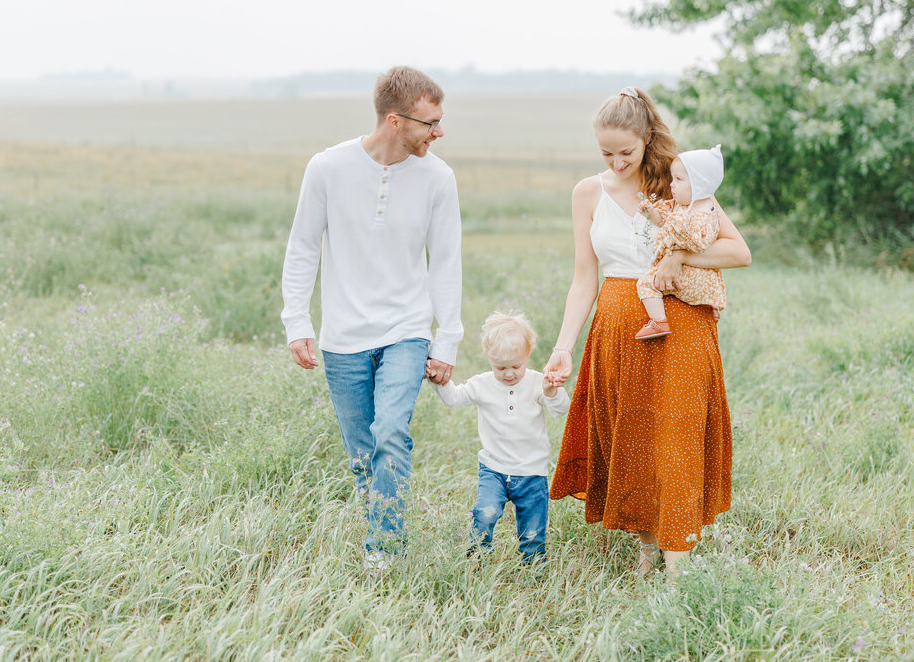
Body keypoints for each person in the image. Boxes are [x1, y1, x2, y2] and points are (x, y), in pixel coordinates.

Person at [543, 86, 751, 576]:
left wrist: (678, 255)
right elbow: (583, 276)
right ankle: (645, 547)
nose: (617, 163)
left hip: (681, 325)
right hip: (617, 325)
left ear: (648, 139)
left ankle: (679, 567)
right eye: (606, 153)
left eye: (627, 152)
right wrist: (563, 347)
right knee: (630, 438)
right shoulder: (587, 193)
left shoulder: (680, 185)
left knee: (676, 439)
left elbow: (738, 252)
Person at [280, 66, 462, 570]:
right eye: (430, 123)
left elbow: (446, 262)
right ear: (394, 120)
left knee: (390, 434)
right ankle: (382, 516)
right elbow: (301, 248)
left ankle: (384, 552)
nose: (439, 132)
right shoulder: (327, 167)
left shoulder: (438, 178)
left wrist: (446, 341)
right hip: (343, 337)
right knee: (364, 455)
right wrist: (297, 321)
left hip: (407, 330)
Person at [431, 311, 570, 563]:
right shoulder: (483, 384)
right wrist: (438, 380)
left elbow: (561, 411)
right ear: (489, 359)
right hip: (493, 468)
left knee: (533, 530)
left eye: (516, 366)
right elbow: (454, 398)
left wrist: (551, 392)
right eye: (500, 368)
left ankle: (533, 566)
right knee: (485, 512)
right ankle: (478, 556)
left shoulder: (538, 382)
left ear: (528, 354)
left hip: (532, 472)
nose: (508, 374)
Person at [634, 145, 727, 340]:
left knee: (646, 283)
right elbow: (663, 221)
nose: (671, 185)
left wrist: (674, 244)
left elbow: (697, 242)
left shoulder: (703, 212)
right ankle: (709, 304)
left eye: (678, 179)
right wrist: (651, 213)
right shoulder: (685, 207)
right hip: (701, 278)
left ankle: (658, 322)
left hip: (688, 274)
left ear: (698, 184)